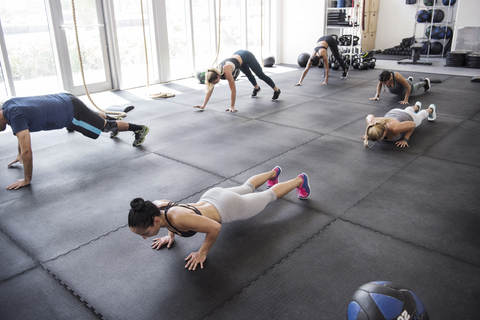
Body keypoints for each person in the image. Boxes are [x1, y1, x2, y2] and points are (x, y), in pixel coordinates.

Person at [128, 166, 311, 271]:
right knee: (247, 187)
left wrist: (202, 252)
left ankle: (299, 180)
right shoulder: (156, 206)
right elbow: (168, 217)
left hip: (228, 207)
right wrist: (171, 236)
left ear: (155, 221)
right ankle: (273, 173)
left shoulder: (179, 220)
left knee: (269, 196)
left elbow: (215, 228)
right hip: (212, 196)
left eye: (144, 233)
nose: (145, 237)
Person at [0, 92, 149, 190]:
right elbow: (20, 134)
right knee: (92, 117)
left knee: (104, 127)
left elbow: (27, 151)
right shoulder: (7, 106)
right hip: (65, 99)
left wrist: (27, 179)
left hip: (70, 113)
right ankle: (113, 120)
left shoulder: (15, 117)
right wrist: (19, 154)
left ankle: (139, 128)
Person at [193, 50, 281, 113]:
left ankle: (276, 90)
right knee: (248, 74)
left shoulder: (226, 72)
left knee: (260, 75)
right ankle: (256, 88)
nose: (215, 84)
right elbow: (210, 89)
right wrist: (203, 105)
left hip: (246, 55)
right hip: (238, 59)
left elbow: (233, 90)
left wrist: (232, 107)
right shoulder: (214, 73)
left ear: (218, 76)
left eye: (215, 82)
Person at [362, 101, 437, 148]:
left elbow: (412, 124)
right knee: (405, 111)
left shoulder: (395, 128)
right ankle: (417, 106)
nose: (376, 142)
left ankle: (431, 109)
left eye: (377, 140)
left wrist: (405, 139)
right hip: (394, 112)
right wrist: (371, 133)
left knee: (420, 117)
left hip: (409, 116)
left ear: (384, 133)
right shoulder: (371, 122)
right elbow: (369, 116)